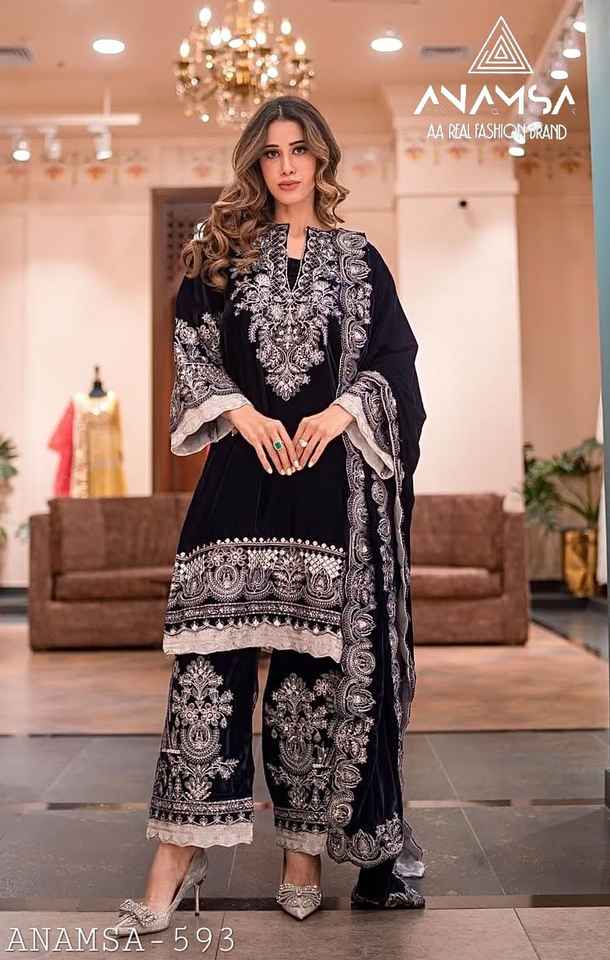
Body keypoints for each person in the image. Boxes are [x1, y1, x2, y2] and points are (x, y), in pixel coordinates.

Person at [112, 94, 427, 935]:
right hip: (238, 484)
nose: (286, 166)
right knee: (204, 672)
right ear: (255, 162)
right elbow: (191, 352)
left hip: (324, 492)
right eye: (271, 152)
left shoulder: (358, 259)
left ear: (321, 159)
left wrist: (343, 409)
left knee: (308, 682)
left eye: (299, 150)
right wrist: (240, 412)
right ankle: (175, 858)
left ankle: (302, 852)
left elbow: (395, 362)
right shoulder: (220, 253)